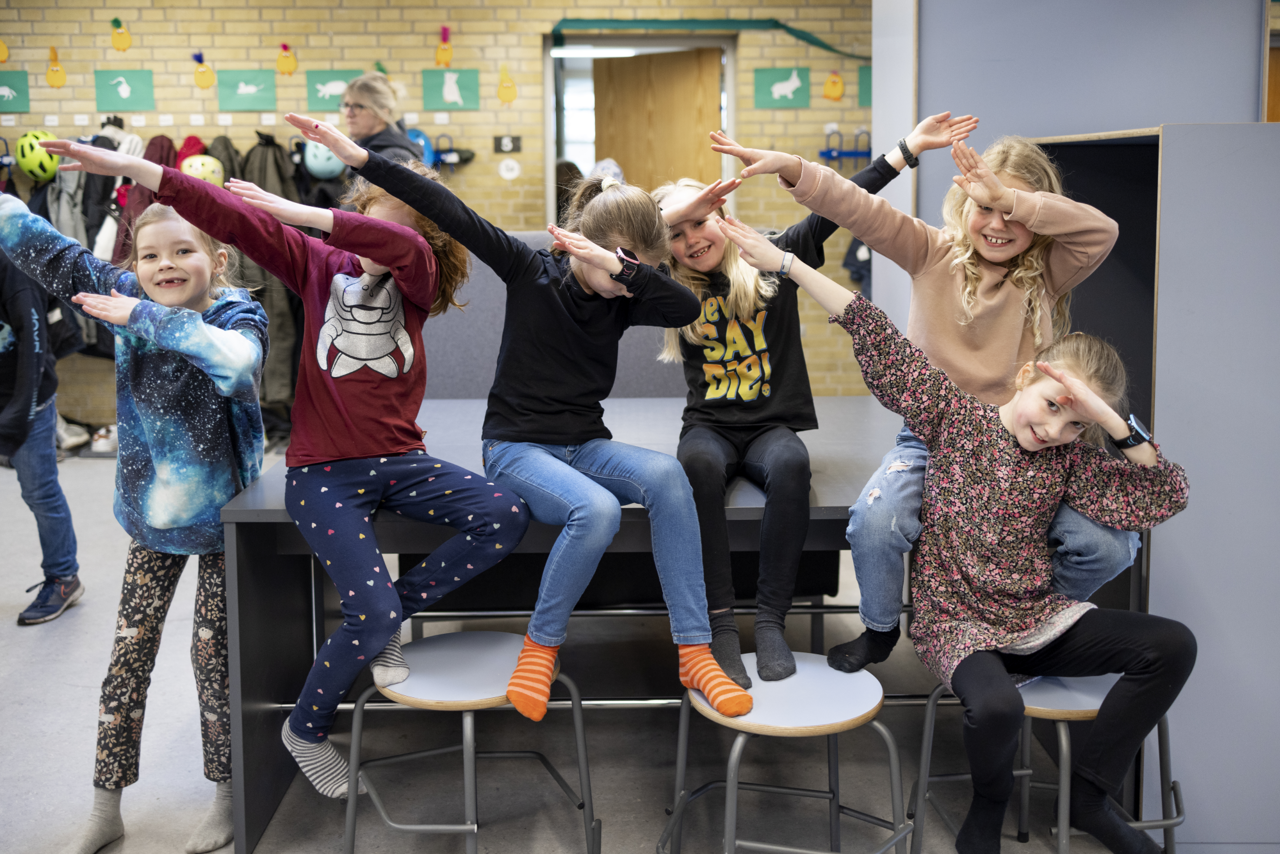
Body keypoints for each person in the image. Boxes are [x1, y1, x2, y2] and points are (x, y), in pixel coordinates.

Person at [40, 137, 530, 802]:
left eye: (396, 226)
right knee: (371, 614)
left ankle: (390, 613)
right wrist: (139, 171)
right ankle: (306, 727)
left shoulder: (416, 277)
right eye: (368, 218)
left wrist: (304, 213)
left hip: (402, 461)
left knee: (503, 515)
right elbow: (229, 217)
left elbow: (398, 245)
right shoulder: (319, 265)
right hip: (323, 473)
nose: (377, 238)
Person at [719, 213, 1193, 854]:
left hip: (1036, 619)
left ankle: (1088, 797)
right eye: (1053, 406)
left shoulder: (1071, 459)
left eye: (1075, 424)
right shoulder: (955, 418)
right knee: (998, 708)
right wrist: (788, 264)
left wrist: (1111, 422)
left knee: (1172, 645)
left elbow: (1165, 495)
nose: (1055, 430)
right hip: (957, 624)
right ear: (1025, 378)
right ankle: (987, 809)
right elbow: (870, 327)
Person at [284, 111, 754, 723]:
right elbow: (451, 211)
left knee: (668, 477)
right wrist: (363, 159)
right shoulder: (530, 272)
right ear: (583, 246)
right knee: (597, 510)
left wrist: (624, 270)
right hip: (516, 449)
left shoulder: (623, 294)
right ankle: (540, 647)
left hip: (584, 446)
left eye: (635, 274)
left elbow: (684, 304)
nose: (626, 287)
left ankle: (694, 651)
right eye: (620, 270)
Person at [711, 132, 1135, 673]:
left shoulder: (1049, 272)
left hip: (1026, 450)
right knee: (875, 522)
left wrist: (1007, 197)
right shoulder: (932, 251)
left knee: (1111, 547)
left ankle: (1028, 621)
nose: (998, 223)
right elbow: (856, 207)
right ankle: (881, 629)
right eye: (984, 207)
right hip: (932, 440)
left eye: (1013, 212)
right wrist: (792, 167)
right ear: (964, 205)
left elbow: (1102, 231)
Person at [651, 112, 978, 687]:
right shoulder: (666, 289)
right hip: (709, 427)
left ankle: (771, 620)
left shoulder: (772, 259)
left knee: (792, 464)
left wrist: (907, 149)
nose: (691, 240)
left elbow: (842, 204)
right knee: (695, 467)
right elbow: (618, 250)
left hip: (771, 427)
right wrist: (666, 222)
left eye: (700, 222)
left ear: (721, 216)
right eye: (675, 234)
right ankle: (720, 623)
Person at [0, 180, 268, 853]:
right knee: (127, 660)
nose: (164, 266)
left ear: (219, 260)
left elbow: (237, 364)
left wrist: (140, 315)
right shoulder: (125, 292)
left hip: (225, 527)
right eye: (149, 256)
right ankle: (106, 807)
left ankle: (226, 797)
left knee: (215, 664)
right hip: (152, 524)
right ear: (134, 262)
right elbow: (45, 247)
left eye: (183, 252)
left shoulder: (237, 315)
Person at [1, 253, 84, 624]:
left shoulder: (14, 269)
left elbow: (34, 350)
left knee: (39, 492)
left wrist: (14, 421)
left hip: (26, 399)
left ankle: (64, 577)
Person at [341, 72, 422, 165]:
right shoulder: (363, 150)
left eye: (358, 106)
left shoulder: (394, 159)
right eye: (346, 105)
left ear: (382, 114)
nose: (348, 114)